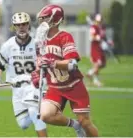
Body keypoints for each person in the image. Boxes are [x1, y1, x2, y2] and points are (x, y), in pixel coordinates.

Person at [31, 4, 99, 137]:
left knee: (85, 121)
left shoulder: (64, 37)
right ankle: (75, 125)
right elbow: (39, 64)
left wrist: (52, 63)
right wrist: (36, 74)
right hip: (55, 87)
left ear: (55, 19)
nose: (42, 22)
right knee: (45, 115)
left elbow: (72, 64)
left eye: (45, 19)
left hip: (73, 85)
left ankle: (82, 126)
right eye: (41, 19)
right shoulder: (39, 42)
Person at [0, 12, 48, 137]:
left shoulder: (36, 44)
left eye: (24, 24)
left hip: (34, 86)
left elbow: (46, 64)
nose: (21, 27)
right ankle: (46, 114)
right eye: (18, 25)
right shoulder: (8, 45)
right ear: (14, 26)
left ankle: (41, 116)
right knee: (23, 124)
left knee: (34, 112)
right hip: (17, 90)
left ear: (28, 25)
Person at [86, 14, 106, 87]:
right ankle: (95, 80)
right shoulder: (93, 27)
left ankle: (90, 73)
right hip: (95, 49)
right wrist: (97, 37)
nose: (99, 22)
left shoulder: (101, 28)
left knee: (103, 64)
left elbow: (102, 37)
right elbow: (91, 37)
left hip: (100, 48)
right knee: (97, 64)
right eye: (98, 21)